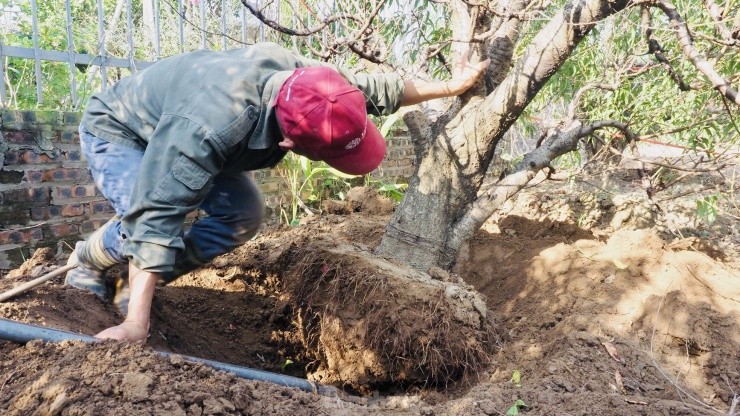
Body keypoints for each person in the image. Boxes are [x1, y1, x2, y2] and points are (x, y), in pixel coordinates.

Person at [66, 42, 488, 342]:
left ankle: (130, 284)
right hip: (124, 131)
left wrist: (450, 87)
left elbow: (378, 90)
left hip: (194, 132)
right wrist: (136, 327)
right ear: (289, 145)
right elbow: (155, 217)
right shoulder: (207, 129)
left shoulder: (316, 88)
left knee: (243, 214)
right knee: (147, 224)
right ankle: (87, 259)